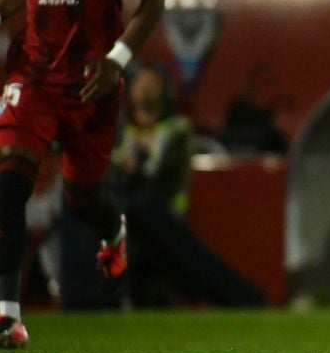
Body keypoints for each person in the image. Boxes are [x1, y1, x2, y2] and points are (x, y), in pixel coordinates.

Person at [0, 0, 166, 348]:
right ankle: (8, 315)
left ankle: (112, 230)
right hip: (33, 77)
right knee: (8, 185)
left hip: (92, 83)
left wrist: (117, 59)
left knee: (81, 198)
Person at [108, 65, 264, 308]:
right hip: (129, 214)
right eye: (139, 82)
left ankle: (244, 297)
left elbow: (155, 175)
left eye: (151, 83)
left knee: (140, 209)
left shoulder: (176, 127)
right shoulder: (123, 129)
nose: (144, 88)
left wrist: (131, 167)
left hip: (162, 211)